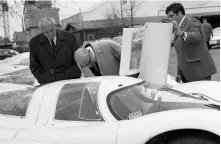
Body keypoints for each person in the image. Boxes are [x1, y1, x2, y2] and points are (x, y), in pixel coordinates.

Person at [165, 3, 216, 83]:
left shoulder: (192, 21)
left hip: (199, 71)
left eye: (171, 16)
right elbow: (180, 53)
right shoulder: (177, 29)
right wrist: (179, 73)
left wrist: (182, 34)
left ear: (179, 13)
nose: (170, 19)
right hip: (187, 73)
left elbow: (197, 36)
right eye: (168, 17)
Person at [29, 17, 81, 85]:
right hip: (48, 84)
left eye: (51, 30)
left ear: (55, 26)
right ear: (41, 31)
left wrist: (69, 75)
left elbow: (77, 60)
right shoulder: (34, 43)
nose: (50, 34)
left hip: (70, 80)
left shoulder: (69, 38)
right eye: (46, 32)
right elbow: (34, 66)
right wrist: (44, 79)